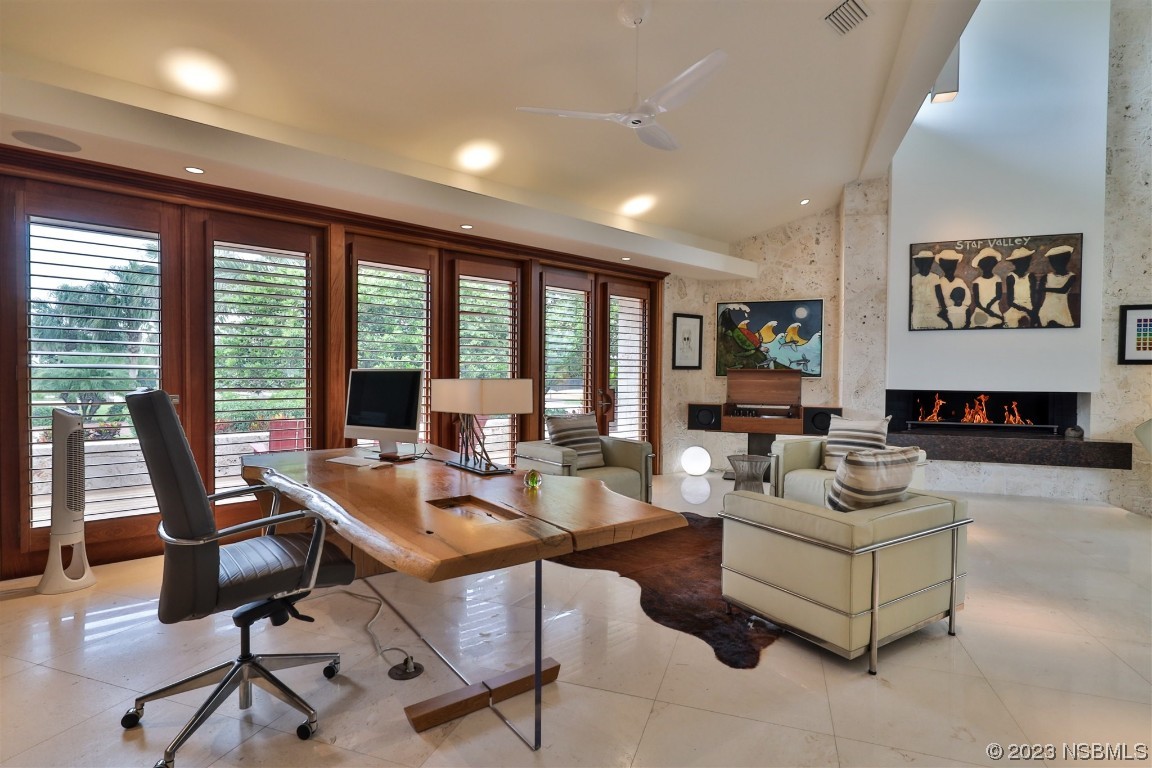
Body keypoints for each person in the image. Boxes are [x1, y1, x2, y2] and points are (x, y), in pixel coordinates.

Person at [1037, 244, 1077, 327]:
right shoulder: (1046, 277)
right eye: (1052, 261)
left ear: (1066, 261)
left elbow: (1063, 290)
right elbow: (1039, 295)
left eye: (1058, 261)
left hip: (1061, 312)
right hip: (1046, 311)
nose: (1054, 264)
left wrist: (1043, 289)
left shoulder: (1072, 276)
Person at [933, 249, 970, 329]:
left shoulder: (960, 282)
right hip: (943, 319)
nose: (950, 268)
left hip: (960, 316)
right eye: (946, 265)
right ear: (942, 266)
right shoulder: (938, 283)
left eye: (953, 264)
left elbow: (967, 301)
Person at [910, 249, 946, 329]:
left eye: (929, 262)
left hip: (933, 310)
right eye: (924, 262)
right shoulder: (913, 279)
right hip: (918, 311)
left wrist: (944, 309)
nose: (927, 265)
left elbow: (939, 295)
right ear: (919, 264)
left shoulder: (935, 277)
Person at [1003, 246, 1038, 328]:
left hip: (1030, 308)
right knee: (1010, 321)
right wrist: (1026, 311)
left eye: (1027, 261)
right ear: (1015, 263)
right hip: (1016, 308)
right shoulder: (1011, 277)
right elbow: (1010, 302)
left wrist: (1033, 311)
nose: (1026, 264)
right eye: (1022, 262)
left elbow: (1033, 297)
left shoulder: (1031, 276)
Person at [969, 247, 1004, 327]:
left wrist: (989, 305)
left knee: (997, 324)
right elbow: (977, 302)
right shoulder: (977, 281)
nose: (988, 266)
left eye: (990, 263)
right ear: (980, 266)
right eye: (985, 264)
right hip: (981, 310)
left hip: (994, 309)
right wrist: (987, 311)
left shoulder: (997, 279)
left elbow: (998, 296)